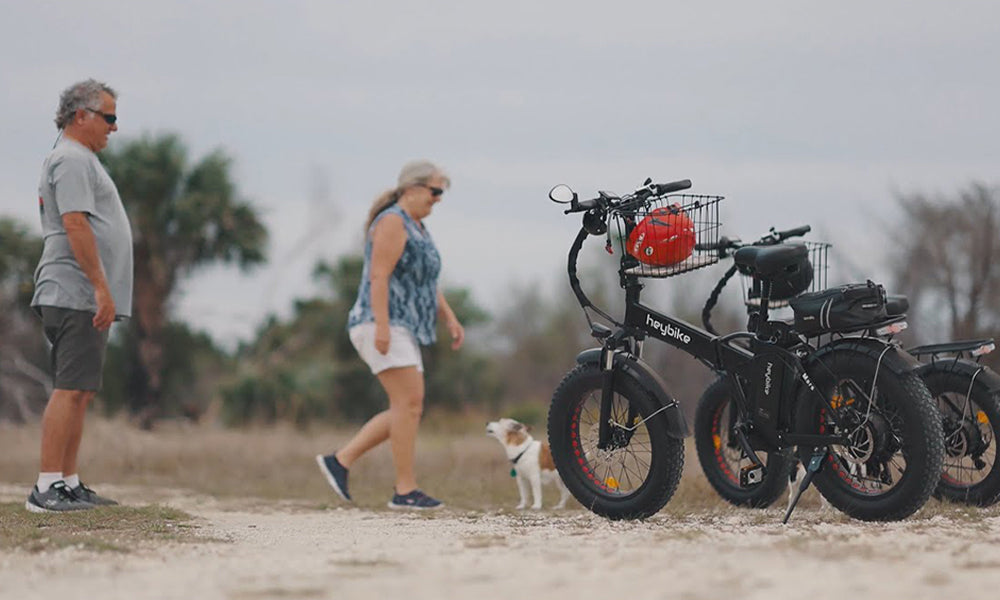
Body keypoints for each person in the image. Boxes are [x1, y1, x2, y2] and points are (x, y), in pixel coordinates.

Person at [316, 160, 464, 510]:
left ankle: (340, 461)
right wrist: (381, 326)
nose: (438, 199)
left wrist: (450, 317)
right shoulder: (393, 222)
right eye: (435, 191)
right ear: (412, 189)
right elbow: (378, 277)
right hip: (380, 322)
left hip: (402, 325)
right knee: (409, 403)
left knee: (407, 407)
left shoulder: (418, 227)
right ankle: (404, 489)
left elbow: (426, 282)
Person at [25, 79, 131, 512]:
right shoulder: (70, 159)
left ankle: (67, 482)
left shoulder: (79, 159)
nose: (114, 127)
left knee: (81, 388)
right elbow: (75, 225)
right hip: (74, 290)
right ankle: (46, 487)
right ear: (80, 116)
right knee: (69, 388)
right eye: (109, 117)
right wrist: (100, 287)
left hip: (81, 293)